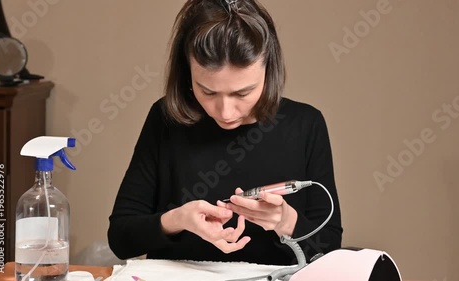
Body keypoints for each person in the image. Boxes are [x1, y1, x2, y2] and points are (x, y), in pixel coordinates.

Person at [108, 0, 342, 265]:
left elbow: (330, 249)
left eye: (243, 93)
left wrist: (286, 222)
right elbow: (120, 238)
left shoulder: (305, 125)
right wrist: (177, 220)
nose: (225, 112)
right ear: (187, 71)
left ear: (269, 70)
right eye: (207, 91)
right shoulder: (166, 120)